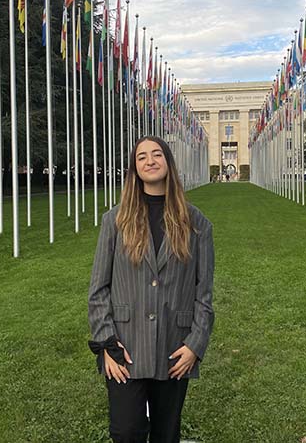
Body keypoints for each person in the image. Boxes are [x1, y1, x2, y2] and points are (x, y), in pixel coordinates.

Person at [88, 135, 215, 443]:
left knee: (166, 433)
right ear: (135, 168)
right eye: (142, 156)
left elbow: (204, 292)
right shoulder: (115, 221)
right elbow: (98, 289)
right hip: (125, 349)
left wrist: (195, 345)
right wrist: (107, 344)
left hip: (175, 347)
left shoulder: (196, 222)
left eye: (157, 154)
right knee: (127, 431)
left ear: (168, 163)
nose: (150, 160)